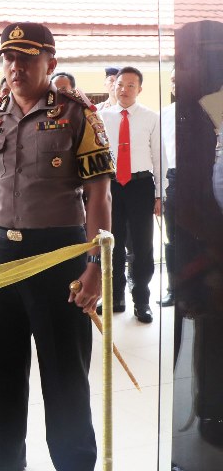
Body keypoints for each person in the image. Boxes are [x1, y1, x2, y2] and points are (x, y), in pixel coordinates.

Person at [0, 22, 113, 471]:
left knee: (65, 367)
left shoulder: (78, 116)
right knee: (1, 361)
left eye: (26, 57)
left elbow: (99, 194)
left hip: (59, 254)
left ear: (50, 61)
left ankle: (76, 469)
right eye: (8, 58)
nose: (15, 67)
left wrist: (95, 266)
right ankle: (5, 453)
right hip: (0, 251)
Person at [98, 66, 161, 323]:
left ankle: (141, 300)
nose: (124, 89)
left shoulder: (151, 117)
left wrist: (160, 195)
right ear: (114, 86)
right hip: (111, 185)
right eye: (120, 84)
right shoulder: (102, 117)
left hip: (141, 185)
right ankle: (115, 297)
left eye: (131, 85)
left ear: (140, 89)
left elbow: (159, 156)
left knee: (142, 246)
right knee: (112, 244)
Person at [160, 69, 176, 307]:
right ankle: (175, 288)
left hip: (209, 178)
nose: (177, 84)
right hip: (175, 179)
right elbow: (161, 155)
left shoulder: (214, 107)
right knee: (174, 238)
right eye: (173, 80)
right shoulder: (164, 115)